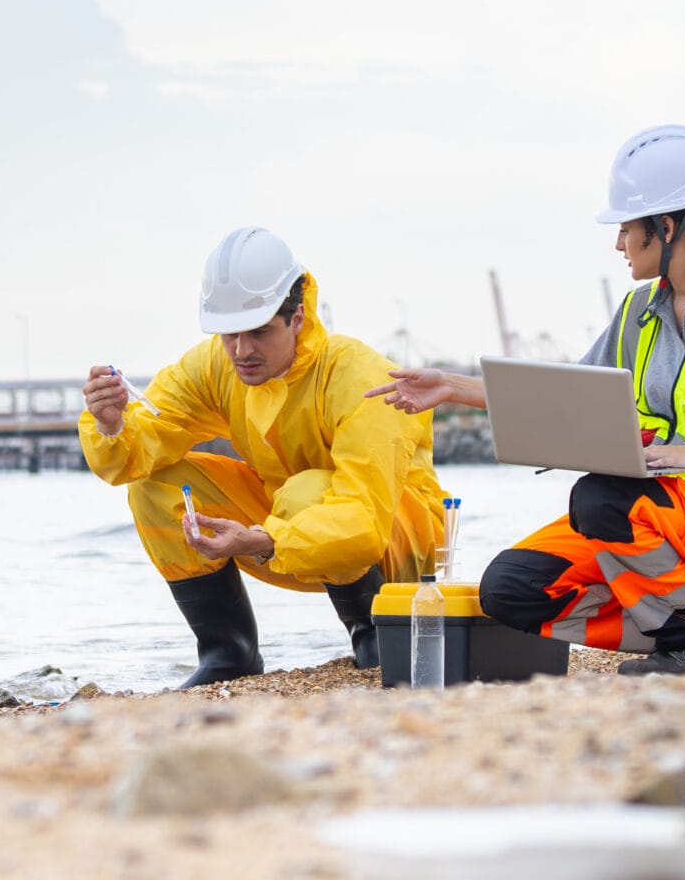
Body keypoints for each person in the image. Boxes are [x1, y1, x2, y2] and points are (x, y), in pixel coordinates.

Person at [370, 125, 685, 675]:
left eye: (626, 229)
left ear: (665, 227)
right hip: (661, 516)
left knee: (600, 498)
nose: (618, 244)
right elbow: (561, 395)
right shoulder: (638, 313)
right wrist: (452, 386)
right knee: (510, 589)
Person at [80, 227, 448, 687]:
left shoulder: (361, 377)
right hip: (279, 527)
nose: (242, 351)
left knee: (308, 491)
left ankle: (374, 632)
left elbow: (363, 523)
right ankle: (227, 652)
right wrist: (111, 425)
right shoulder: (216, 366)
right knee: (154, 485)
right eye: (229, 334)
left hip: (397, 544)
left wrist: (262, 540)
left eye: (258, 332)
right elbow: (138, 448)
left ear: (297, 318)